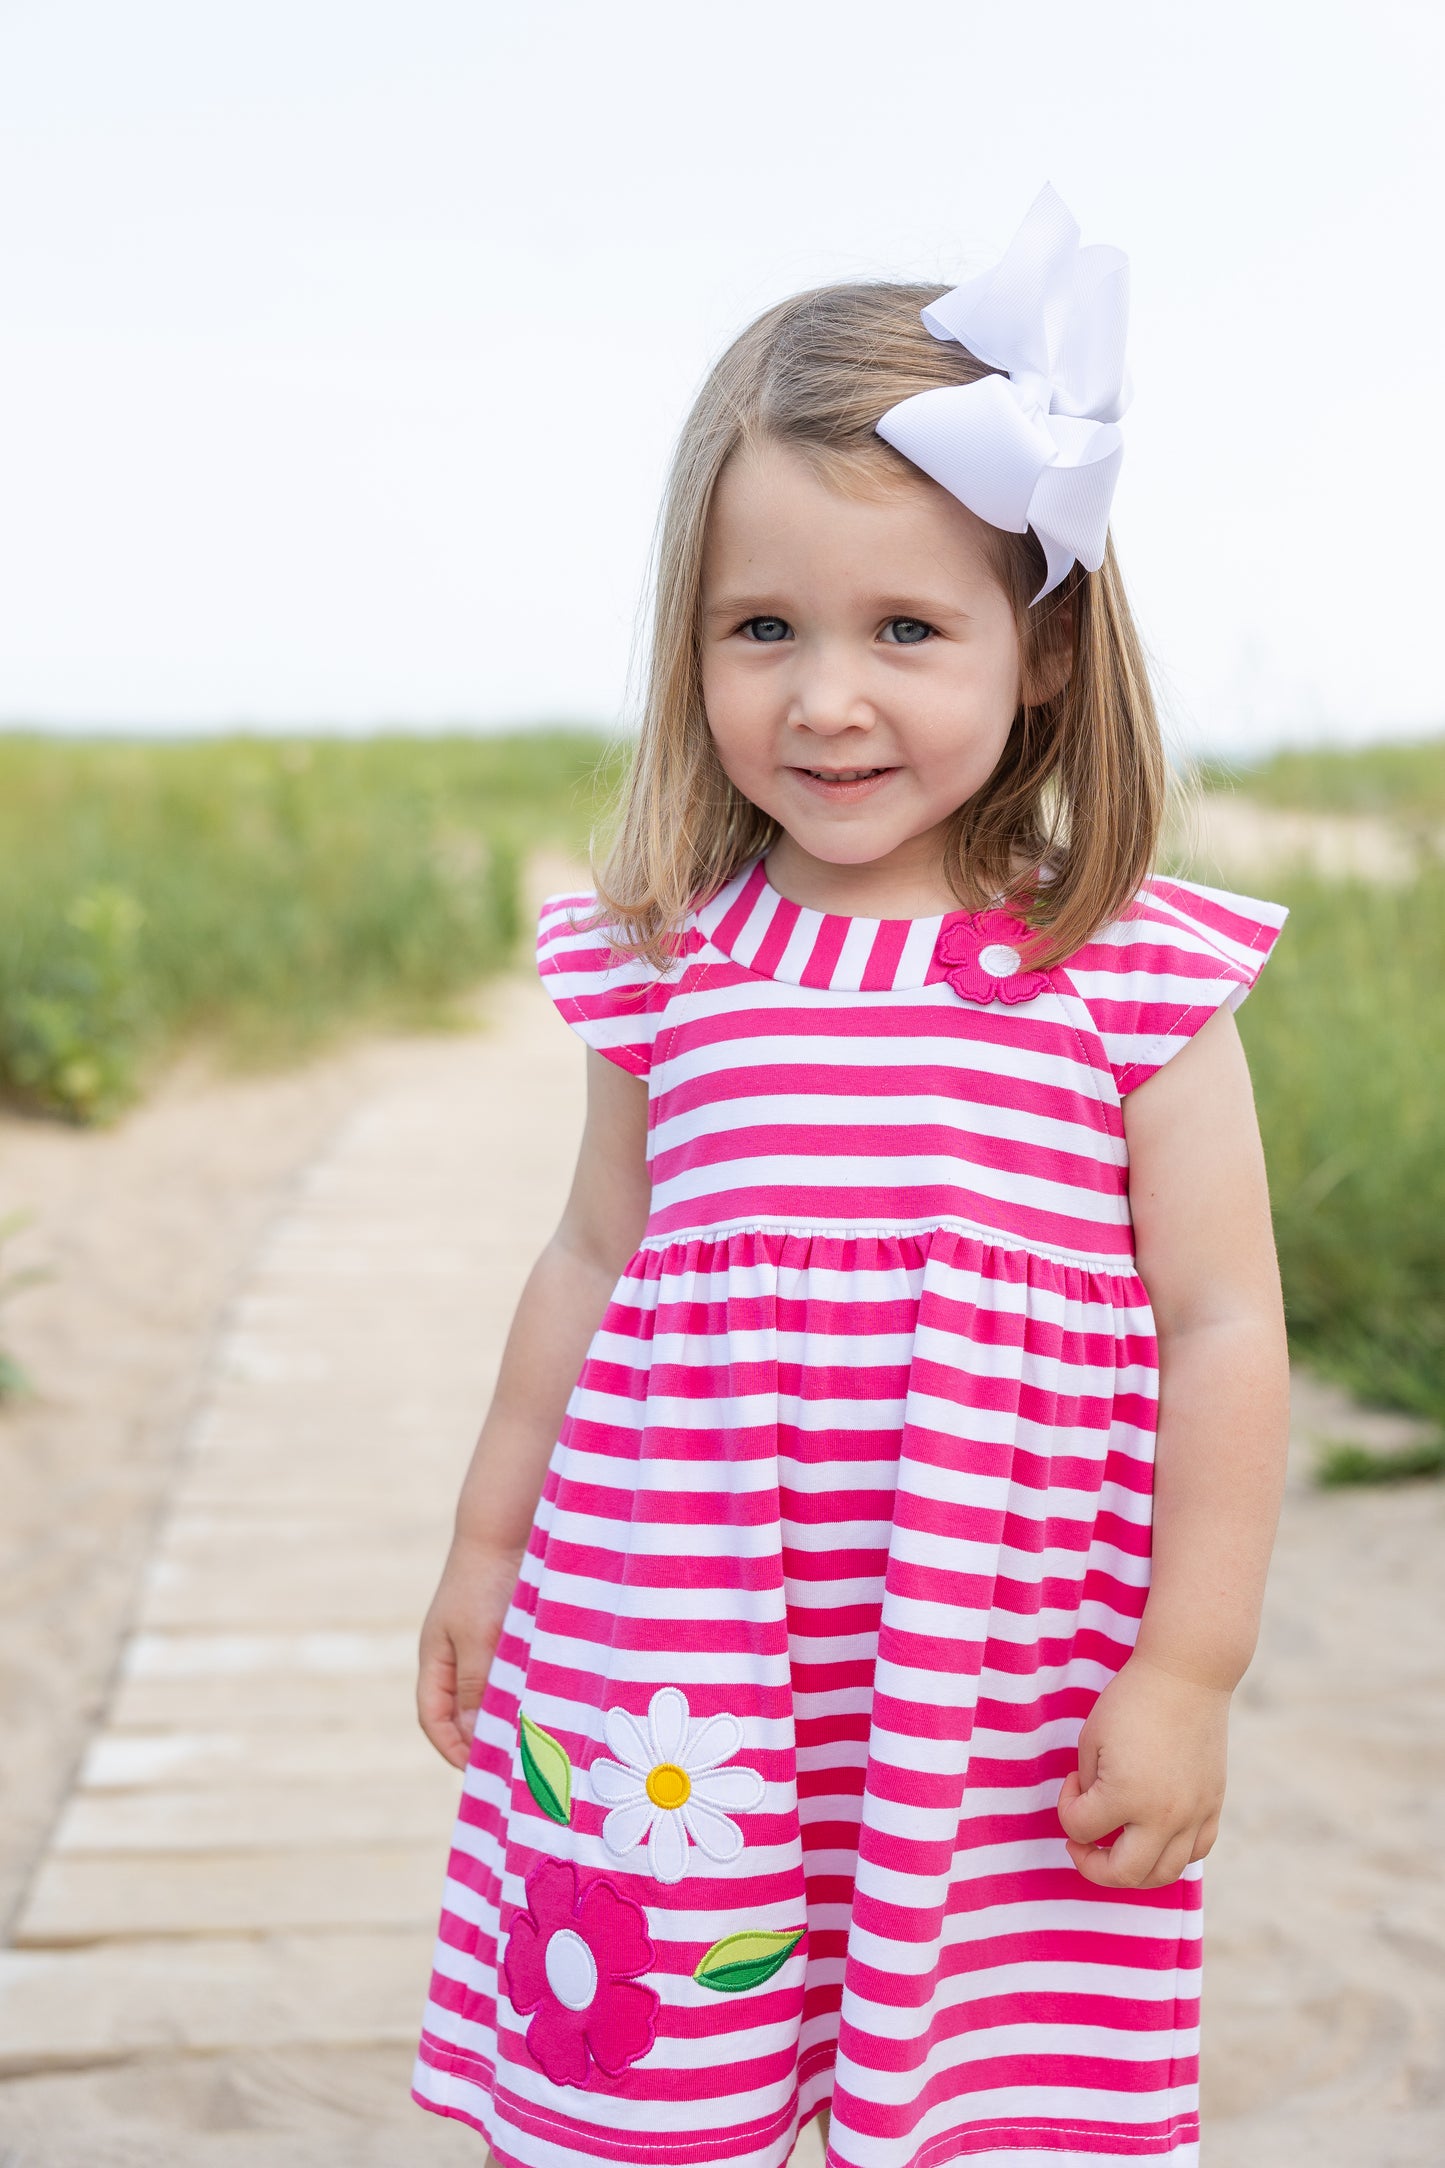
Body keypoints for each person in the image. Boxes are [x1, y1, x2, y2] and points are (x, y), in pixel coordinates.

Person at [410, 186, 1291, 2168]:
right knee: (652, 2050)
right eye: (764, 629)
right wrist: (485, 1547)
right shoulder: (674, 957)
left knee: (988, 2074)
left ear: (1041, 651)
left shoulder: (1125, 967)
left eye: (907, 628)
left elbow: (1224, 1322)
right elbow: (587, 1257)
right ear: (692, 645)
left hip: (989, 1660)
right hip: (680, 1646)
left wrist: (1189, 1664)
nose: (827, 697)